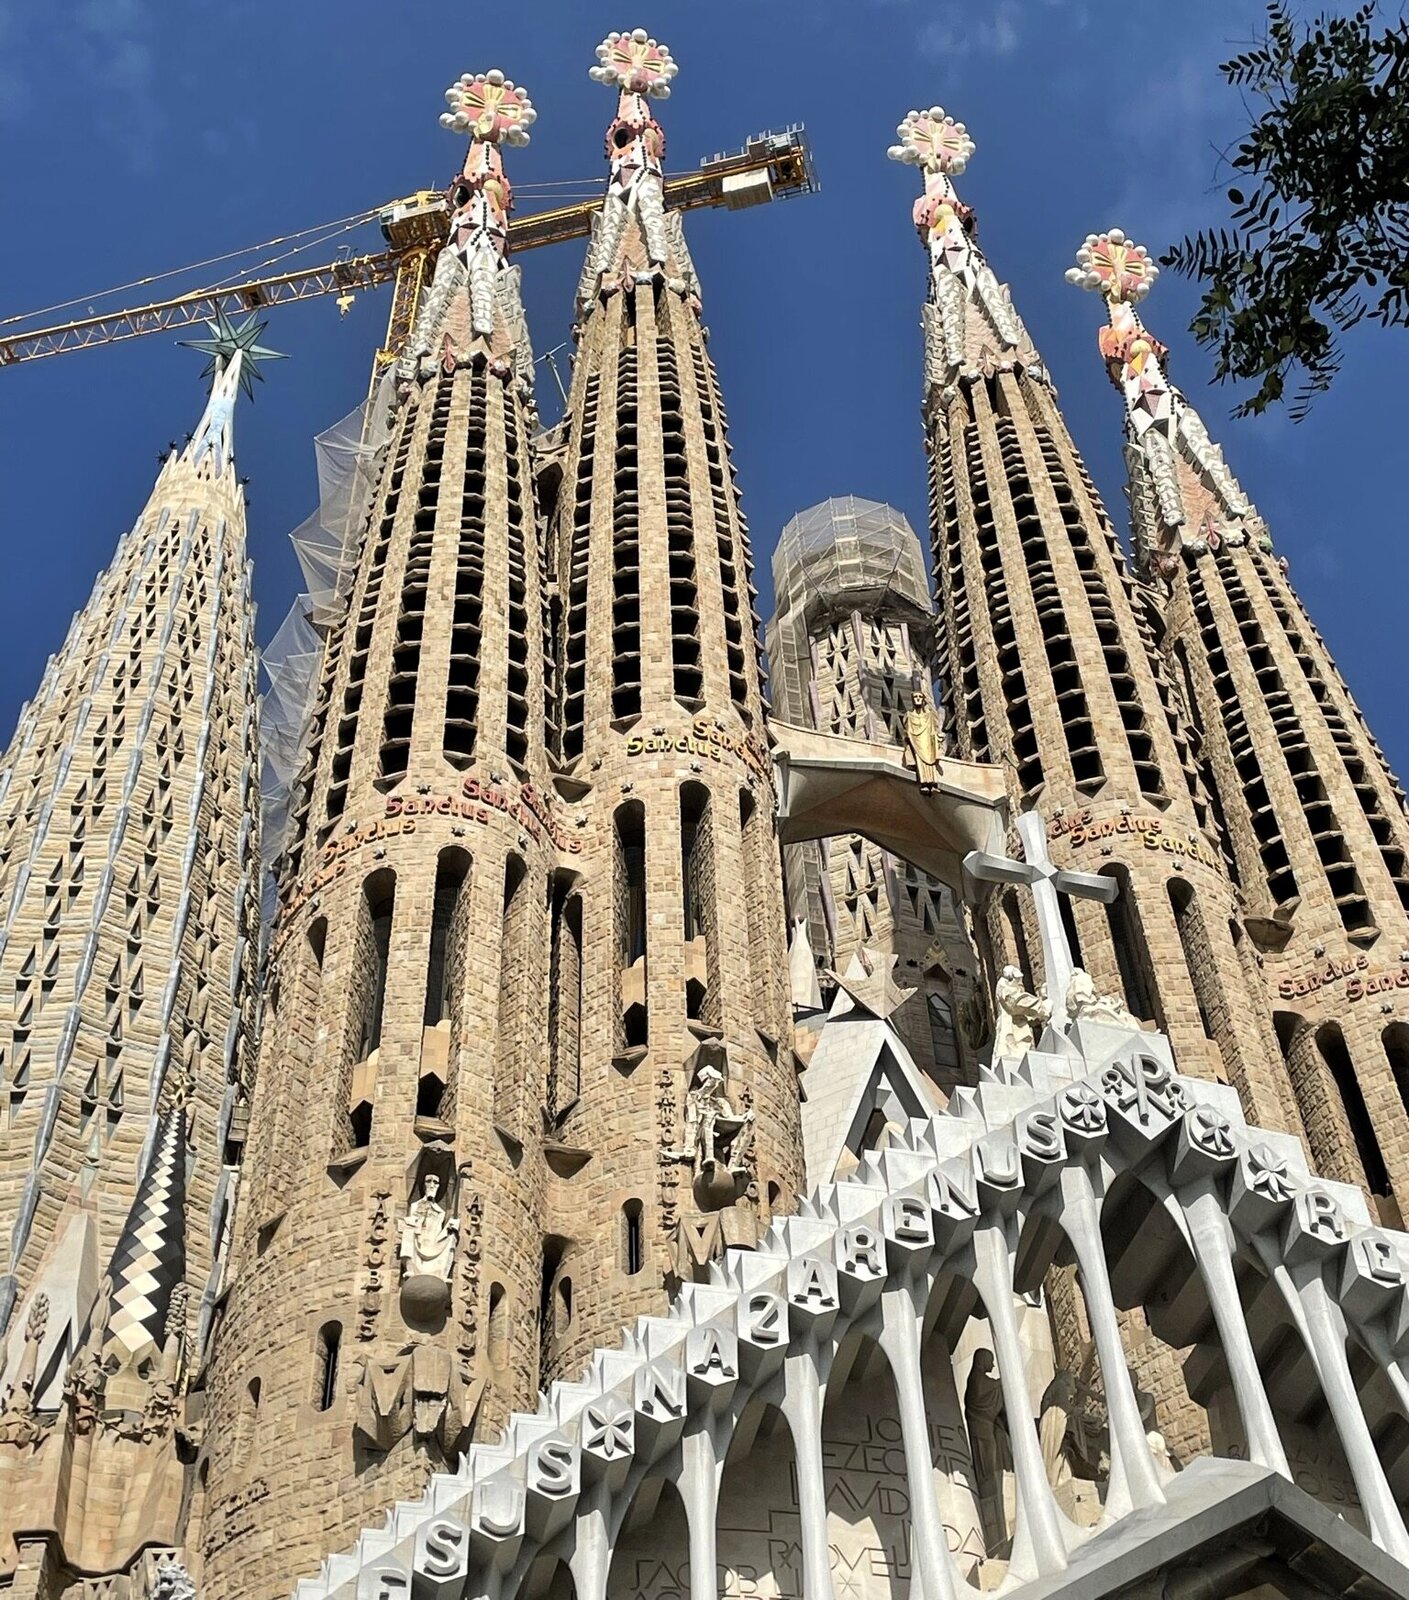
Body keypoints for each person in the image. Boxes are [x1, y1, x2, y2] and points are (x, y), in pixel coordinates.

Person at [398, 1173, 458, 1282]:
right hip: (417, 1242)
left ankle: (442, 1273)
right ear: (423, 1185)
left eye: (435, 1182)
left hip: (433, 1246)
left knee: (452, 1237)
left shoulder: (441, 1212)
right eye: (428, 1181)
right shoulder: (415, 1206)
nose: (432, 1185)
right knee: (408, 1231)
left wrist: (450, 1228)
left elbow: (439, 1234)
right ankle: (410, 1268)